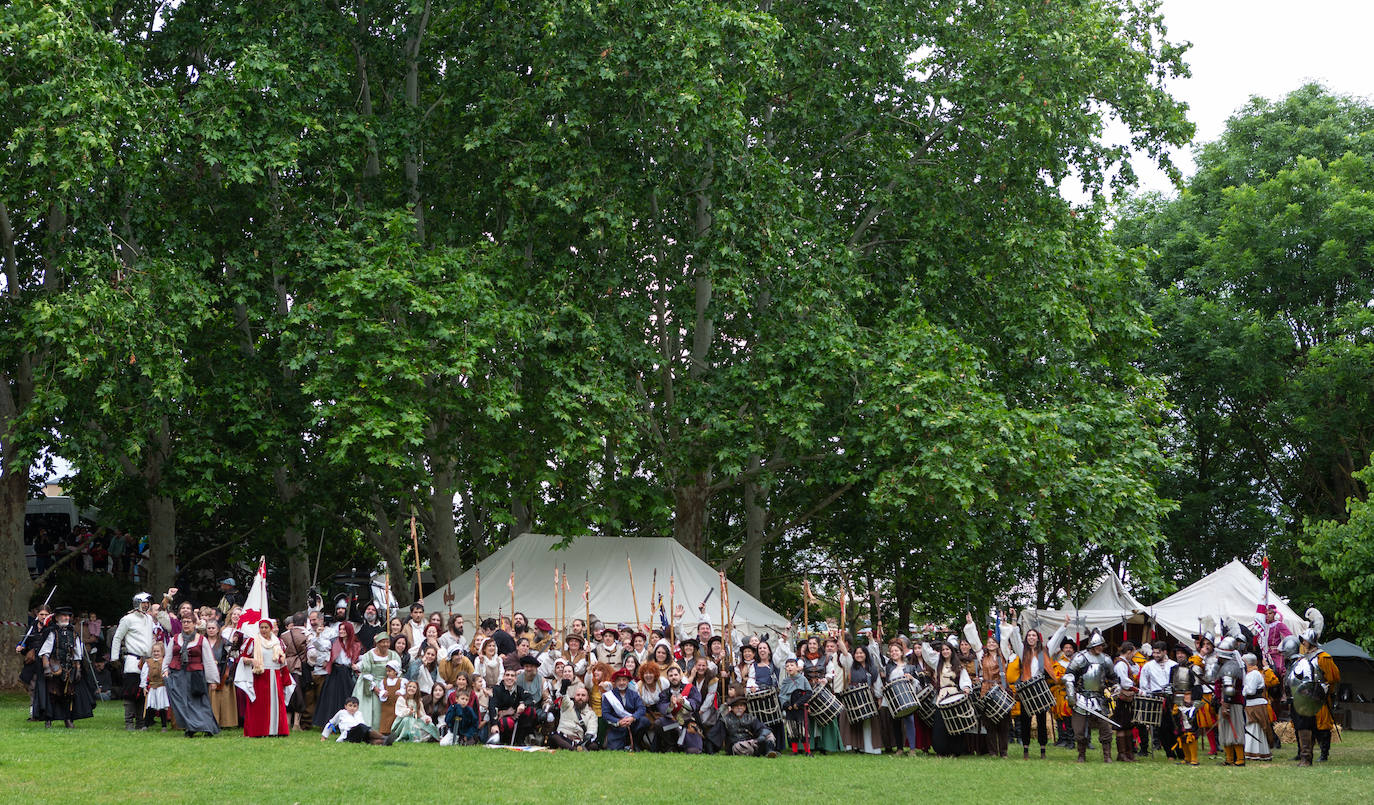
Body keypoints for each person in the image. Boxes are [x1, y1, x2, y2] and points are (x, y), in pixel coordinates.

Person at [36, 607, 96, 728]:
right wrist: (47, 668)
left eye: (68, 616)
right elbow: (44, 652)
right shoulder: (52, 632)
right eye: (64, 616)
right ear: (57, 617)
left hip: (70, 669)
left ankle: (68, 719)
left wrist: (78, 669)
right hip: (55, 668)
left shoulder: (73, 633)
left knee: (69, 696)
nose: (66, 618)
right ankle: (49, 719)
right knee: (52, 694)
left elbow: (78, 653)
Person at [165, 612, 220, 737]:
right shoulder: (175, 639)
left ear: (194, 624)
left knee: (199, 702)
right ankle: (190, 728)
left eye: (189, 622)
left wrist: (212, 680)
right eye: (184, 622)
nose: (186, 624)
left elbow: (208, 660)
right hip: (178, 674)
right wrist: (164, 670)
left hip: (195, 675)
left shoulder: (201, 639)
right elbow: (169, 656)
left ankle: (207, 727)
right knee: (183, 703)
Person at [1063, 631, 1114, 763]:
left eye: (1102, 645)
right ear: (1092, 645)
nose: (1100, 648)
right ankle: (1081, 754)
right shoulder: (1080, 658)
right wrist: (1071, 695)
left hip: (1099, 698)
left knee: (1105, 729)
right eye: (1098, 645)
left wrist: (1116, 688)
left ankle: (1107, 755)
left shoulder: (1106, 659)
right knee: (1080, 730)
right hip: (1082, 698)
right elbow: (1069, 676)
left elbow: (1113, 678)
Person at [920, 636, 973, 757]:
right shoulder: (937, 664)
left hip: (954, 696)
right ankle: (941, 750)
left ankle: (955, 750)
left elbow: (965, 680)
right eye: (943, 649)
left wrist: (966, 688)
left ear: (951, 651)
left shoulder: (958, 666)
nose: (945, 652)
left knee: (955, 724)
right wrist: (925, 642)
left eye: (947, 649)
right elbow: (927, 655)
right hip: (941, 697)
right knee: (940, 725)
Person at [110, 592, 157, 730]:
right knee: (130, 693)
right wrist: (114, 658)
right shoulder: (127, 619)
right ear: (137, 603)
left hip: (146, 661)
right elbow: (117, 637)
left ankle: (141, 722)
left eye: (148, 603)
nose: (146, 605)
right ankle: (129, 723)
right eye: (144, 603)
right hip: (133, 660)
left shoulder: (149, 619)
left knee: (143, 692)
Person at [240, 619, 292, 737]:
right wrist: (252, 660)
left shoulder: (278, 642)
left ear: (271, 629)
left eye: (266, 627)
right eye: (261, 627)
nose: (263, 630)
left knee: (276, 703)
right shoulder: (253, 641)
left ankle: (276, 730)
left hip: (275, 676)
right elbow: (243, 658)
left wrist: (282, 661)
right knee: (259, 705)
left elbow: (282, 659)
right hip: (260, 676)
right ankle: (259, 730)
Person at [352, 632, 399, 730]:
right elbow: (366, 674)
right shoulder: (369, 656)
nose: (385, 645)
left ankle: (386, 729)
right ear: (377, 643)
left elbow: (397, 672)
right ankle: (366, 729)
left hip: (387, 683)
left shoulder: (393, 655)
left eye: (387, 642)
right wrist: (376, 689)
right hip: (369, 683)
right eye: (382, 642)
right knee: (370, 709)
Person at [1139, 641, 1177, 759]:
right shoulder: (1148, 666)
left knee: (1175, 727)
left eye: (1158, 653)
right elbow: (1144, 685)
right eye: (1154, 653)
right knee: (1162, 728)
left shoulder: (1173, 665)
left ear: (1165, 652)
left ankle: (1180, 752)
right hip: (1156, 698)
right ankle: (1169, 753)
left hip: (1172, 698)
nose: (1155, 655)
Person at [601, 667, 649, 751]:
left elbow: (641, 708)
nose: (621, 683)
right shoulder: (609, 696)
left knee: (644, 721)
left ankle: (635, 742)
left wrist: (632, 718)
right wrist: (618, 722)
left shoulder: (634, 694)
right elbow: (605, 714)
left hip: (633, 725)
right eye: (619, 680)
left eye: (624, 680)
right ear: (615, 682)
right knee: (614, 749)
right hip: (618, 727)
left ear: (628, 681)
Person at [205, 620, 238, 729]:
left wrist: (234, 645)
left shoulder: (224, 642)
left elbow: (234, 654)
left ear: (218, 629)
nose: (211, 630)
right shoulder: (202, 641)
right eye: (209, 628)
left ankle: (224, 722)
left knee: (222, 698)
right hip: (205, 672)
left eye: (213, 628)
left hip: (222, 672)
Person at [1241, 653, 1272, 762]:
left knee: (1254, 728)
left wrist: (1242, 690)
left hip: (1255, 704)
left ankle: (1253, 753)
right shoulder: (1249, 674)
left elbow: (1250, 691)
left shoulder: (1253, 674)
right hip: (1252, 704)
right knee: (1252, 728)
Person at [1111, 641, 1139, 762]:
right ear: (1128, 652)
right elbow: (1125, 682)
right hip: (1122, 698)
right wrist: (1137, 689)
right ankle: (1122, 754)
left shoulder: (1126, 663)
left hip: (1127, 699)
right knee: (1121, 726)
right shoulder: (1121, 665)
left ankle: (1128, 753)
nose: (1133, 655)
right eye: (1132, 652)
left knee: (1128, 725)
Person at [550, 683, 600, 750]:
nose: (580, 697)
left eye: (583, 695)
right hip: (563, 737)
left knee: (594, 746)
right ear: (574, 697)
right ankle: (575, 750)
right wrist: (563, 689)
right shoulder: (567, 706)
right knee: (555, 737)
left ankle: (575, 748)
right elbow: (563, 698)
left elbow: (592, 730)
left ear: (587, 698)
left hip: (579, 740)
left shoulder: (591, 714)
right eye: (578, 695)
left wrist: (584, 742)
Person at [321, 696, 385, 744]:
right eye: (350, 706)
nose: (352, 708)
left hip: (359, 734)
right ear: (345, 706)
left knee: (368, 738)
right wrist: (324, 736)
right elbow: (331, 724)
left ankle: (384, 741)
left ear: (357, 707)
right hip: (348, 734)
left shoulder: (359, 714)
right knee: (361, 726)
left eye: (354, 706)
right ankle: (383, 737)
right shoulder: (341, 713)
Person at [141, 642, 171, 731]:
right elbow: (144, 674)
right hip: (152, 686)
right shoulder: (148, 662)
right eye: (154, 651)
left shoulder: (165, 662)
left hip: (162, 687)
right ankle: (146, 725)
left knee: (162, 706)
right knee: (150, 706)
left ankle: (164, 726)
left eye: (158, 651)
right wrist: (144, 686)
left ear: (162, 652)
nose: (156, 653)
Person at [1173, 688, 1200, 766]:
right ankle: (1187, 758)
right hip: (1178, 695)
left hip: (1191, 700)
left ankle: (1194, 759)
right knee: (1182, 735)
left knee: (1191, 735)